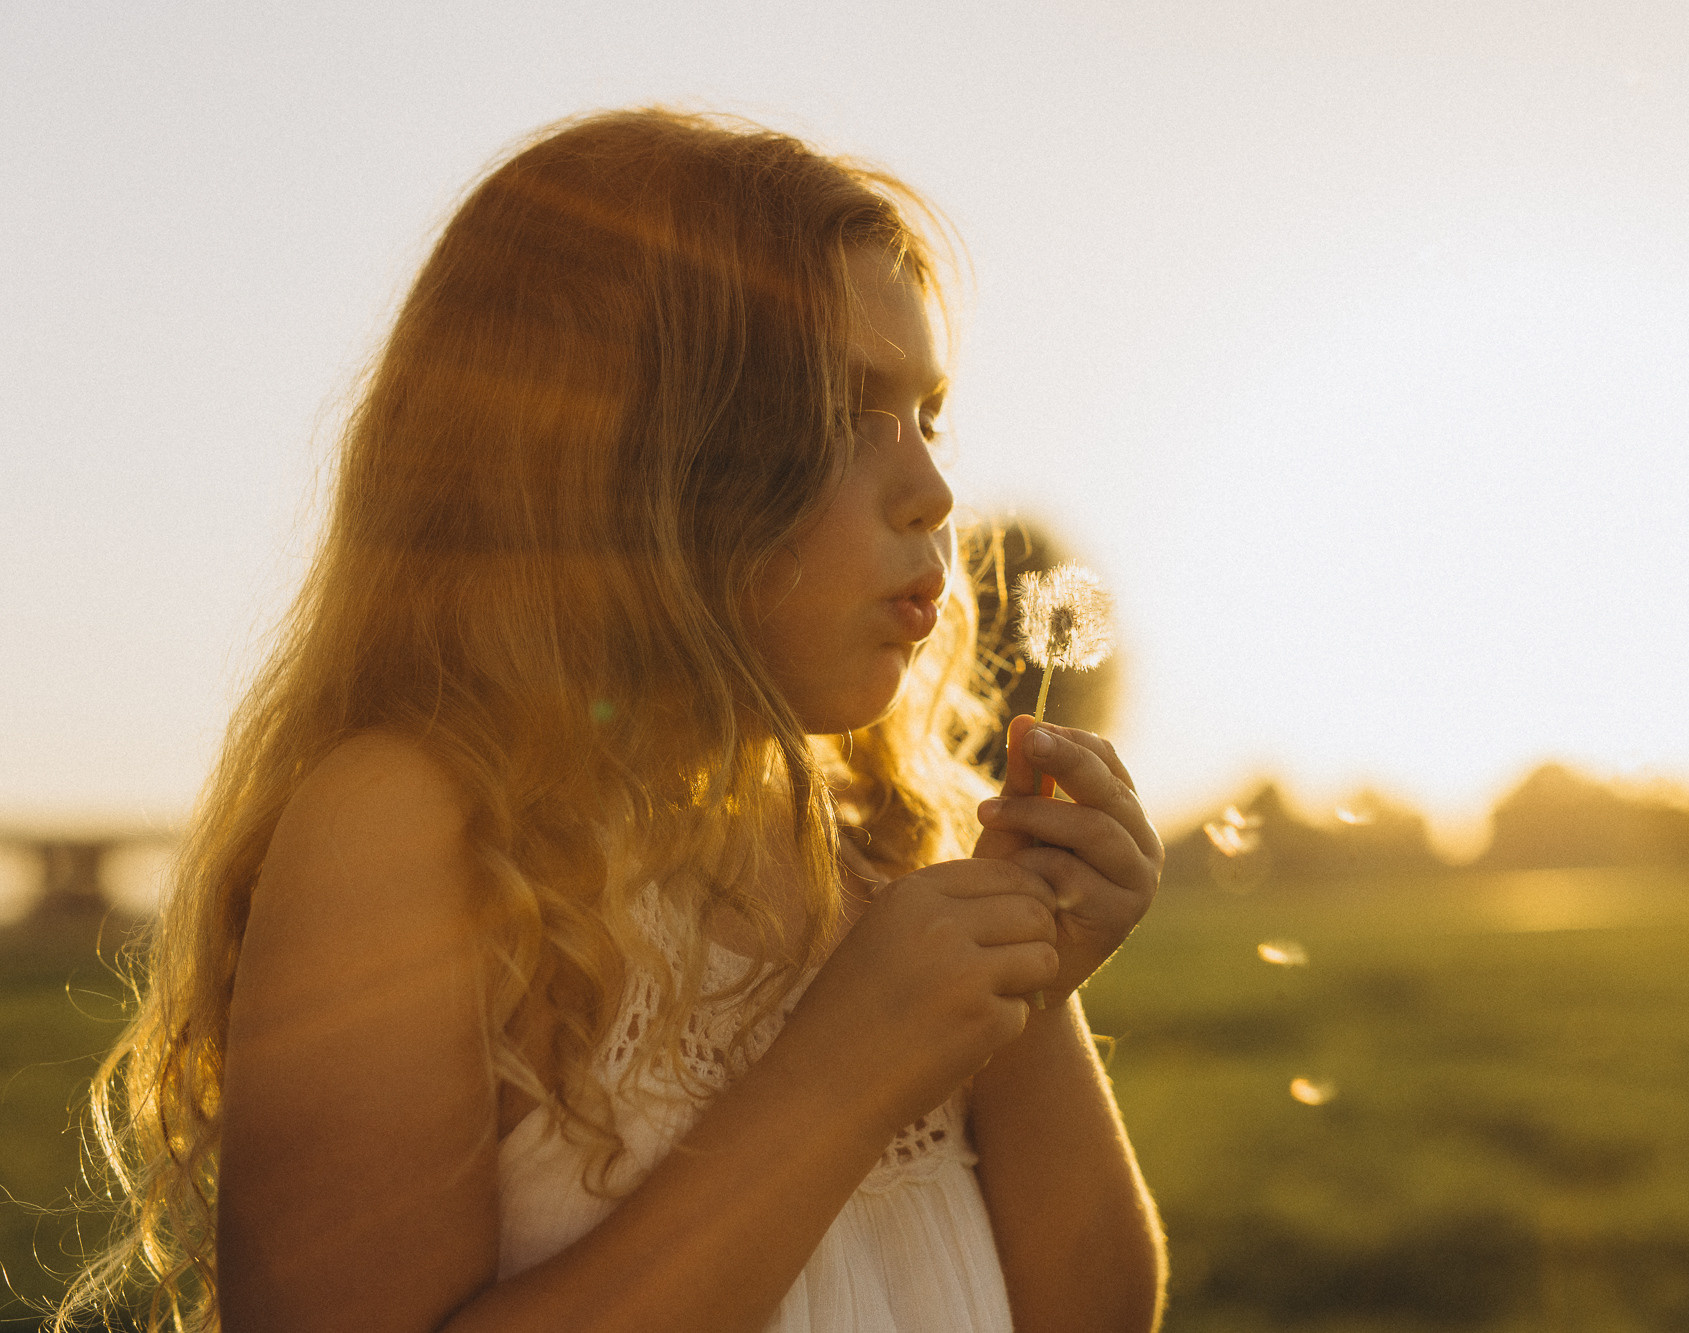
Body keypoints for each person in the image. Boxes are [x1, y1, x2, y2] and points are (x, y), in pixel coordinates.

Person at [58, 108, 1166, 1333]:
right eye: (840, 413)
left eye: (929, 415)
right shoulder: (418, 836)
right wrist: (845, 1072)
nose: (933, 490)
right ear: (615, 456)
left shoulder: (882, 849)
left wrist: (1023, 994)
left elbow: (1098, 1311)